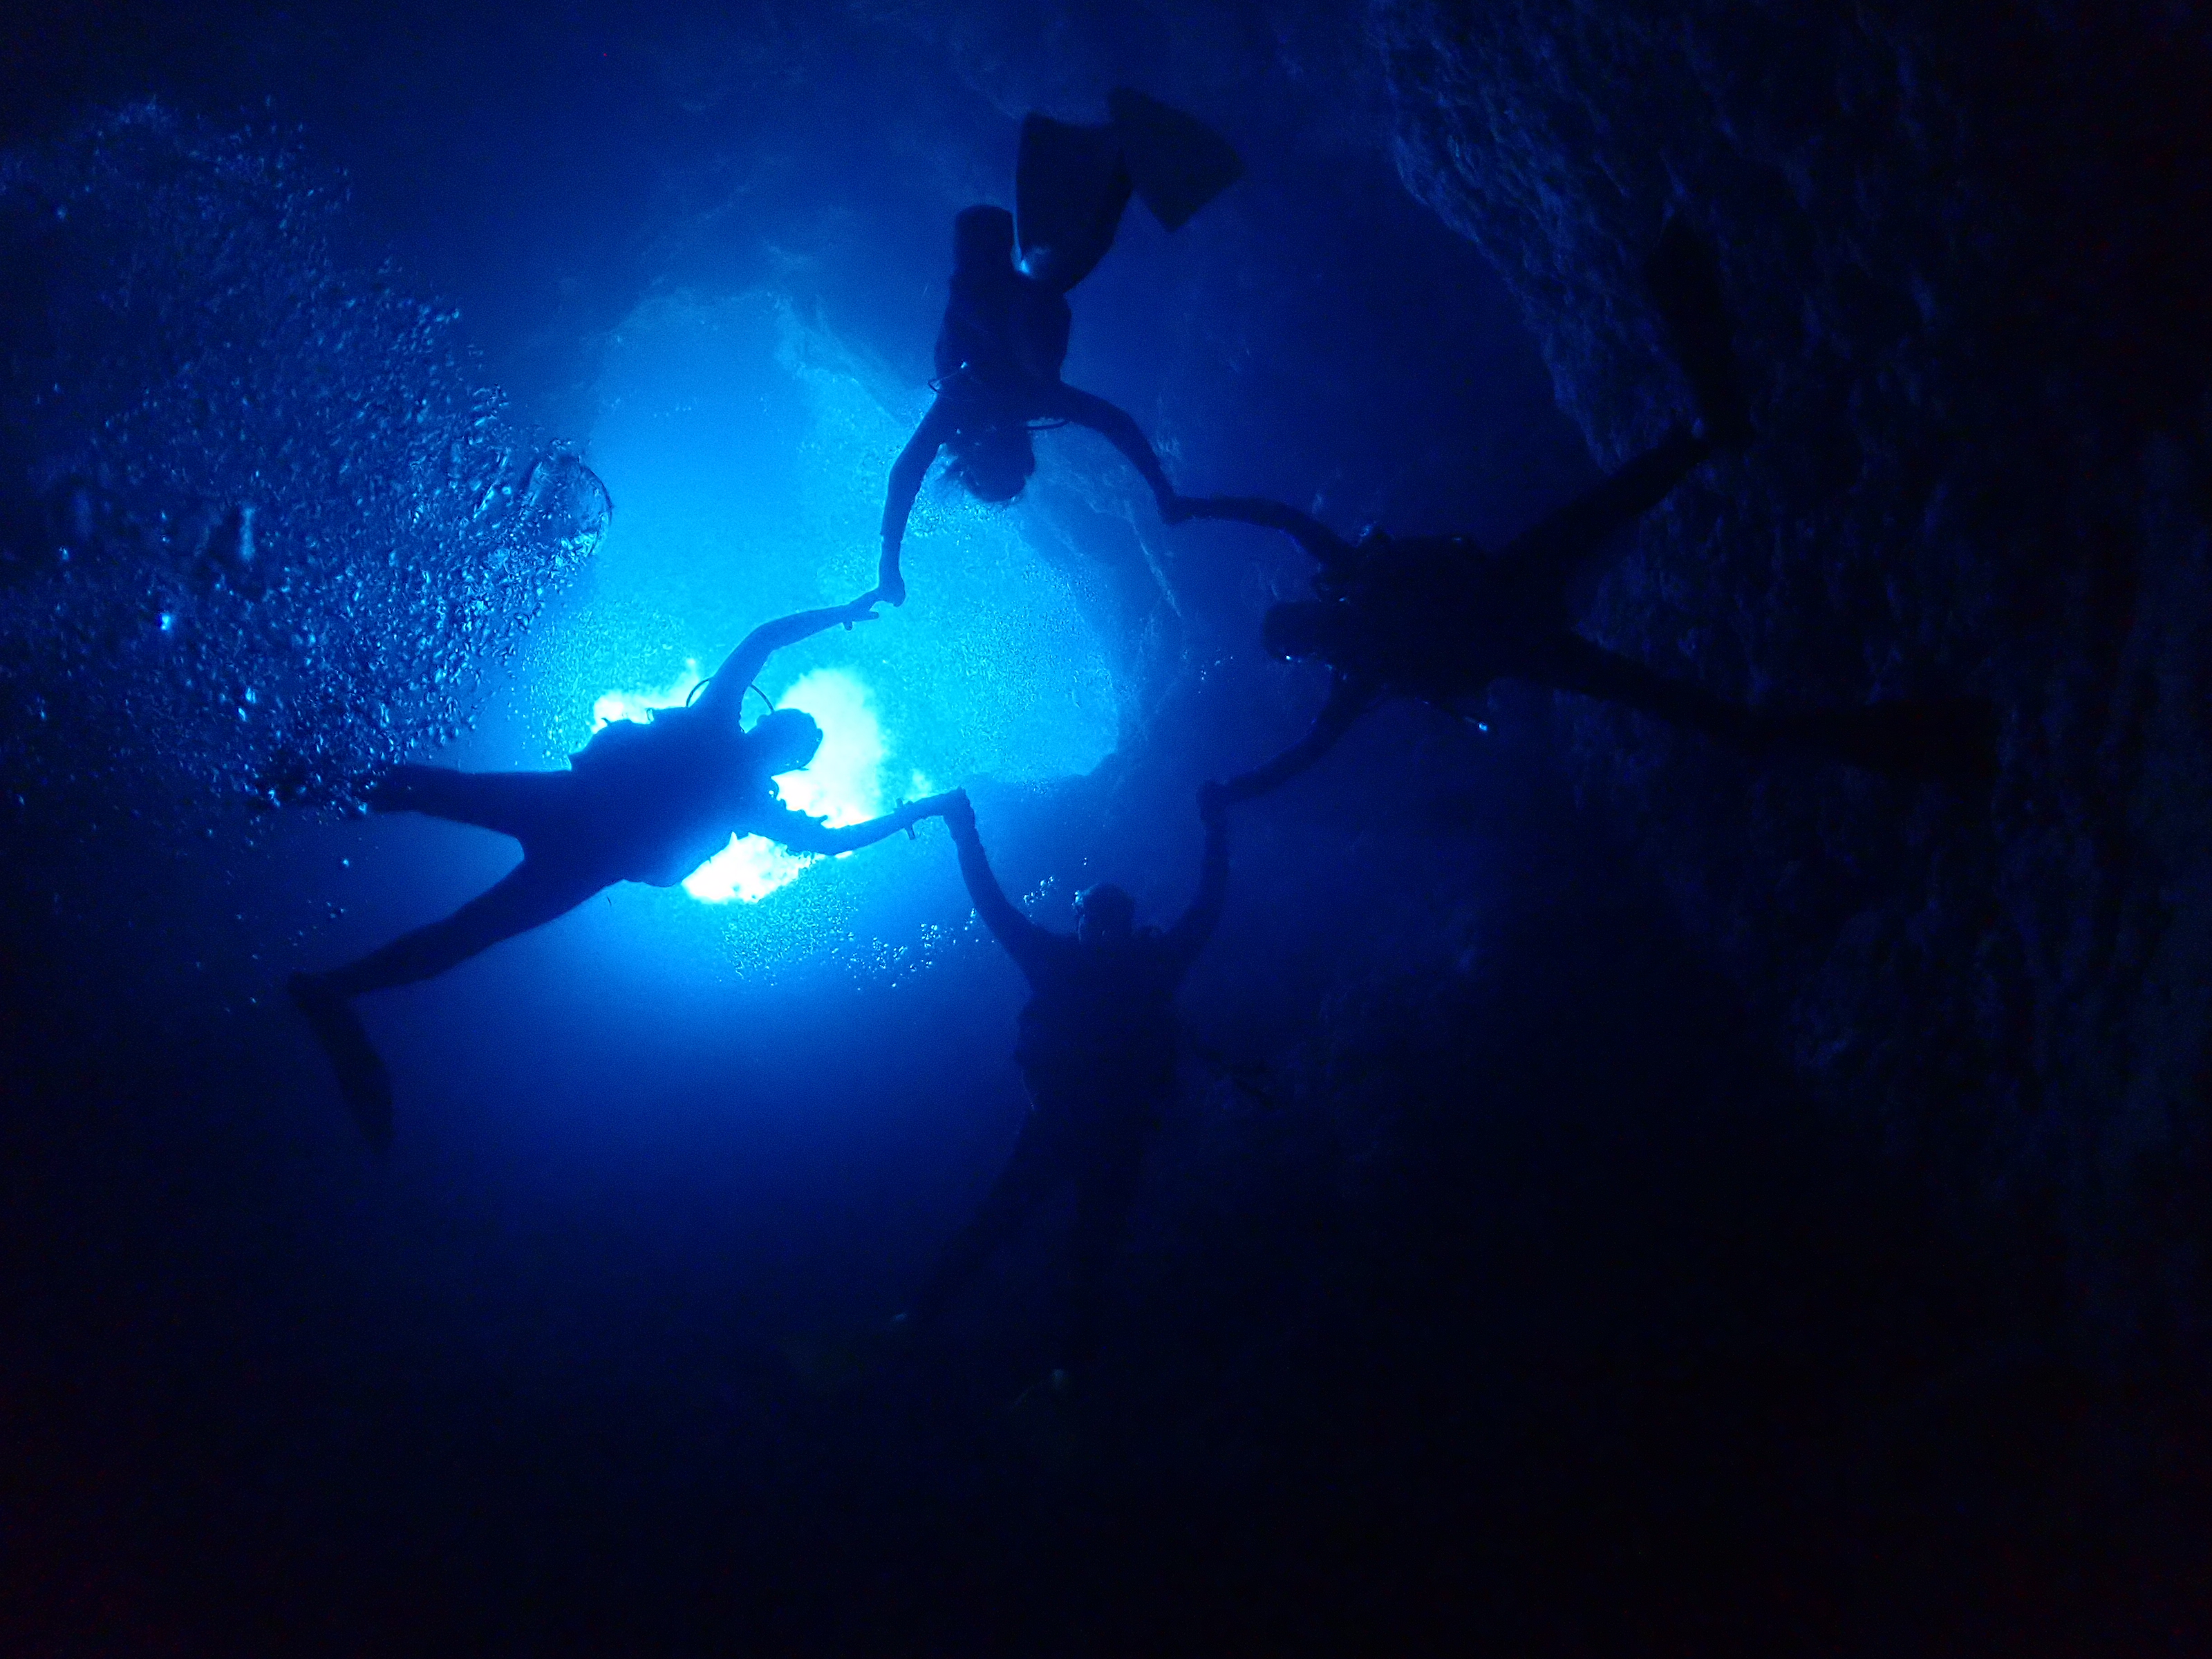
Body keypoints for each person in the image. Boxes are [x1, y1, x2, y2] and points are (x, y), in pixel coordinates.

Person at [1188, 219, 1995, 798]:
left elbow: (1306, 748)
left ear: (1302, 648)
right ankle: (1702, 439)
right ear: (1304, 622)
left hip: (1516, 628)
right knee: (1605, 528)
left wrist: (1237, 790)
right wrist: (1199, 504)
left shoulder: (1355, 663)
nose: (1310, 624)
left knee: (1644, 664)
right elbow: (1286, 522)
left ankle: (1801, 725)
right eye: (1300, 623)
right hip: (1510, 599)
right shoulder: (1354, 621)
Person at [289, 591, 960, 1147]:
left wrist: (916, 808)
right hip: (581, 847)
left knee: (450, 845)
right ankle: (303, 814)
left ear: (777, 740)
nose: (784, 744)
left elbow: (767, 656)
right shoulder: (734, 765)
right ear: (785, 753)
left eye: (792, 740)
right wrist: (915, 809)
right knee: (454, 868)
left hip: (574, 831)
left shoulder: (727, 750)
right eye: (793, 738)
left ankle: (304, 824)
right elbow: (766, 651)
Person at [903, 781, 1230, 1379]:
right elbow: (1207, 906)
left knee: (1041, 1236)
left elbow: (994, 905)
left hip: (1082, 1124)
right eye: (1098, 920)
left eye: (1109, 920)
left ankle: (932, 1322)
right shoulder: (1145, 965)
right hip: (1100, 1125)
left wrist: (963, 830)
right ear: (1087, 921)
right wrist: (1216, 827)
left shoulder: (1065, 961)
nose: (1102, 929)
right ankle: (1047, 1361)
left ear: (1114, 923)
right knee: (1068, 1243)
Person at [874, 89, 1243, 606]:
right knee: (1049, 253)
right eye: (1009, 467)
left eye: (991, 468)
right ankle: (1111, 150)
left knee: (1014, 243)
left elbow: (905, 474)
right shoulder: (1026, 400)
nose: (999, 452)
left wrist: (888, 566)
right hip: (1028, 285)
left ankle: (1099, 147)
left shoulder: (963, 404)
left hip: (1004, 286)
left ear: (974, 459)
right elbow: (1116, 424)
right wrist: (1163, 492)